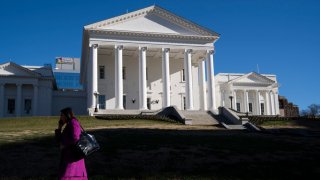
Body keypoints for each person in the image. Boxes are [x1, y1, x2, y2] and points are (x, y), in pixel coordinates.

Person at [55, 107, 88, 180]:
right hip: (68, 157)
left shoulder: (74, 122)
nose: (60, 117)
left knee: (68, 176)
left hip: (73, 158)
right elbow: (58, 140)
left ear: (67, 115)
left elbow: (76, 137)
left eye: (62, 115)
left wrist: (64, 145)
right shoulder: (69, 124)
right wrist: (59, 127)